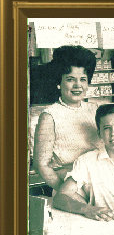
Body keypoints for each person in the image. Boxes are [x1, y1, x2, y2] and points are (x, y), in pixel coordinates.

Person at [33, 45, 102, 192]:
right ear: (59, 83)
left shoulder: (95, 109)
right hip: (69, 189)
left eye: (82, 79)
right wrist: (67, 193)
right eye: (70, 79)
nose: (78, 85)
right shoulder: (49, 116)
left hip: (100, 185)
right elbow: (41, 165)